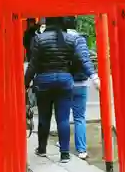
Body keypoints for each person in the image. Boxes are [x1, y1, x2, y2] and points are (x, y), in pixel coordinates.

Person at [24, 16, 99, 163]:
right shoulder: (70, 39)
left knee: (44, 118)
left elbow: (33, 65)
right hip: (65, 80)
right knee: (63, 118)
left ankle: (42, 149)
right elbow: (81, 59)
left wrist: (25, 83)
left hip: (44, 80)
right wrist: (93, 76)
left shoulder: (39, 39)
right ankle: (64, 154)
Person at [65, 16, 92, 159]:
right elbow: (85, 59)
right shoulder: (80, 40)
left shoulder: (61, 38)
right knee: (79, 117)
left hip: (65, 83)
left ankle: (63, 144)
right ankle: (81, 149)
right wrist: (93, 75)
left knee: (62, 116)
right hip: (81, 83)